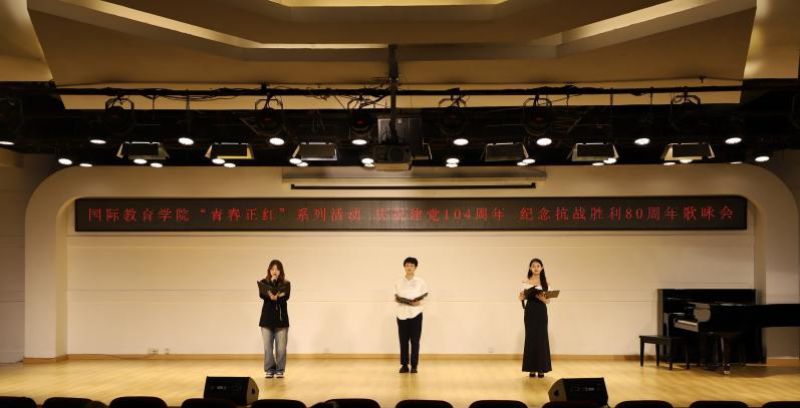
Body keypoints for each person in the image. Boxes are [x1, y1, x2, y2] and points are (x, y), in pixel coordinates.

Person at [518, 257, 552, 378]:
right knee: (531, 338)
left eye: (538, 266)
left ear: (542, 268)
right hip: (530, 311)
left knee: (541, 339)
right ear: (530, 268)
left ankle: (542, 369)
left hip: (541, 312)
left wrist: (542, 298)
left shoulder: (546, 283)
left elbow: (548, 301)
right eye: (533, 266)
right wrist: (522, 297)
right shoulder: (525, 282)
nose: (536, 268)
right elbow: (521, 297)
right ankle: (531, 368)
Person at [394, 256, 428, 373]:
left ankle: (414, 365)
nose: (409, 267)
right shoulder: (398, 282)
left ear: (415, 267)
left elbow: (425, 297)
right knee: (403, 340)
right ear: (404, 267)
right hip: (401, 314)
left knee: (415, 341)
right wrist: (404, 301)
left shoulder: (421, 282)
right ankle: (404, 365)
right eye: (407, 265)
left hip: (416, 313)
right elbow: (395, 297)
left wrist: (419, 302)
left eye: (412, 265)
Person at [258, 259, 291, 378]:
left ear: (281, 271)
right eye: (272, 269)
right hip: (266, 320)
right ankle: (270, 369)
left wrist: (277, 296)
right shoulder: (264, 282)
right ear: (269, 270)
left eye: (277, 269)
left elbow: (286, 296)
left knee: (281, 348)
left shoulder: (286, 284)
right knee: (268, 347)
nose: (274, 271)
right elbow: (262, 295)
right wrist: (271, 289)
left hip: (281, 321)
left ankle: (280, 369)